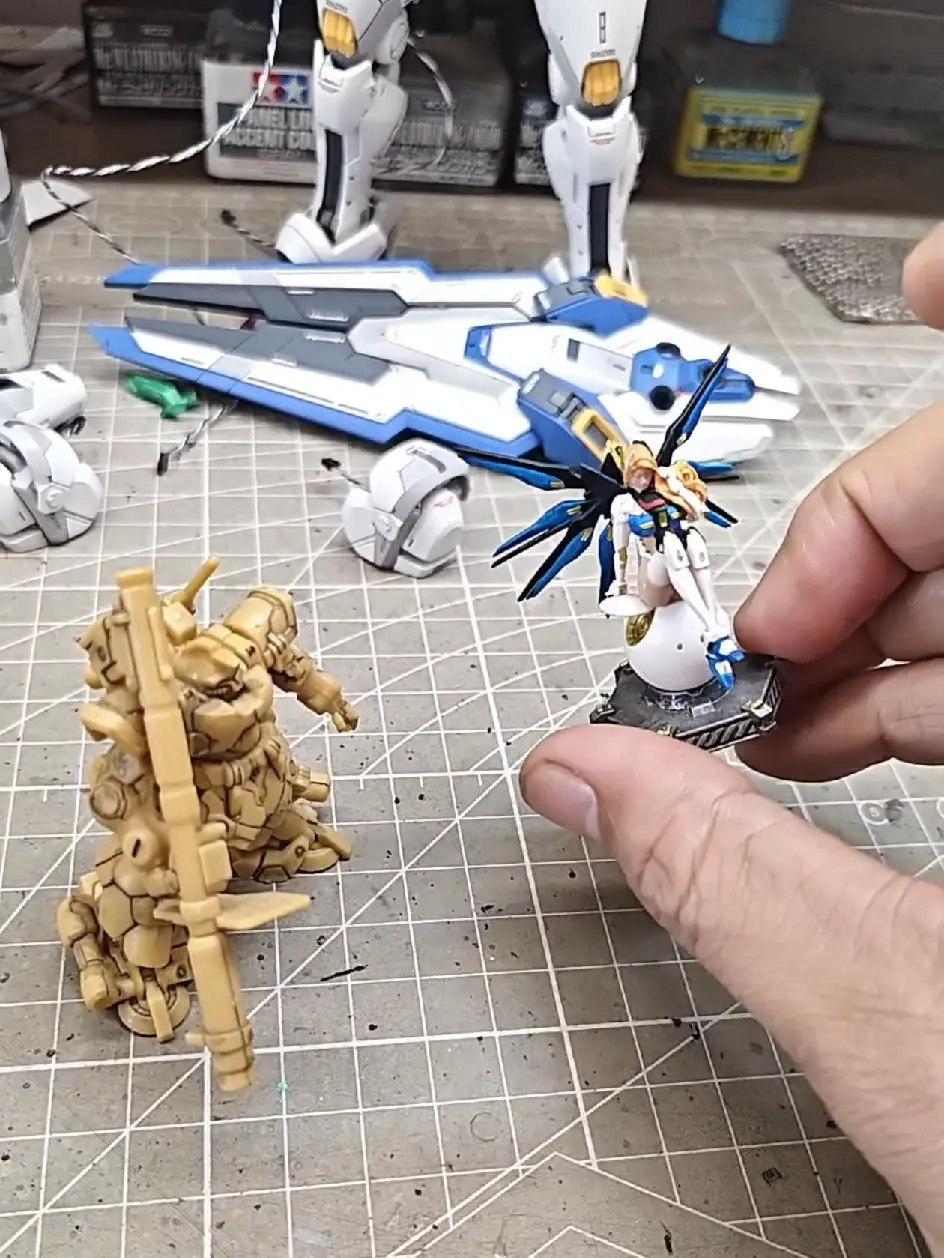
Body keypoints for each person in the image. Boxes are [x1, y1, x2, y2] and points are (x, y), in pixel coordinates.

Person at [520, 223, 944, 1256]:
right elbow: (643, 579)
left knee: (701, 635)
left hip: (690, 640)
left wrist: (686, 594)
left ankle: (705, 670)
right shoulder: (637, 530)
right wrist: (643, 582)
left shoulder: (668, 524)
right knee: (674, 637)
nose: (648, 484)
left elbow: (686, 575)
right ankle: (694, 668)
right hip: (662, 643)